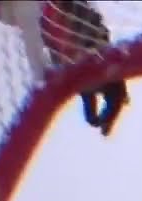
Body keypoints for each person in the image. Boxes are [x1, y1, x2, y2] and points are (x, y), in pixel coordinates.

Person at [39, 0, 128, 136]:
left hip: (86, 58)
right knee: (105, 94)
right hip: (83, 59)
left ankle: (102, 116)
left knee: (108, 94)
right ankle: (101, 116)